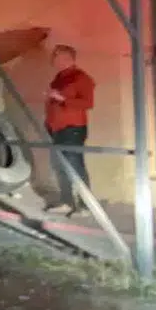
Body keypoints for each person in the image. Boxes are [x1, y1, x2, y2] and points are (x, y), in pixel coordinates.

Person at [45, 44, 95, 216]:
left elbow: (88, 103)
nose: (53, 60)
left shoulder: (81, 78)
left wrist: (62, 98)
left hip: (72, 128)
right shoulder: (59, 78)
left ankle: (86, 205)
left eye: (56, 56)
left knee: (75, 166)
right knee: (59, 165)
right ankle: (66, 202)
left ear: (67, 58)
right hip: (56, 128)